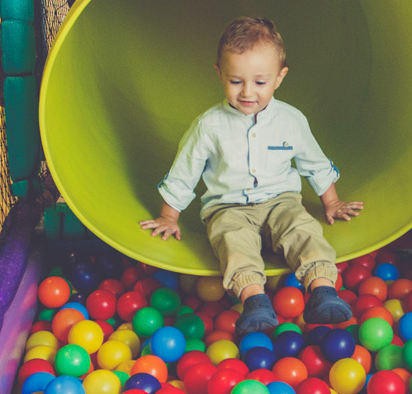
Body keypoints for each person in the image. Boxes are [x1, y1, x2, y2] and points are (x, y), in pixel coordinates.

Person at [141, 17, 363, 337]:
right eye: (235, 81)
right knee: (233, 240)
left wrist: (331, 201)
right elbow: (184, 171)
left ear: (279, 78)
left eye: (260, 82)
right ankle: (255, 300)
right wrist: (168, 216)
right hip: (228, 207)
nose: (247, 92)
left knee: (303, 228)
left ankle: (323, 290)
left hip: (281, 201)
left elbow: (312, 161)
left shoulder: (291, 120)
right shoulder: (209, 126)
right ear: (219, 73)